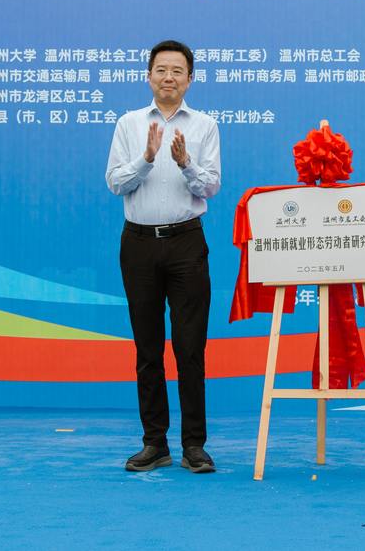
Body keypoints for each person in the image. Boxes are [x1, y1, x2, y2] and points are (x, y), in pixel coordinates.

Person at [106, 39, 221, 473]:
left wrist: (186, 162)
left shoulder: (205, 125)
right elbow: (115, 182)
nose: (168, 77)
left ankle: (194, 444)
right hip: (138, 244)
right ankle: (155, 442)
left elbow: (211, 186)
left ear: (190, 79)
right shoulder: (129, 124)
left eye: (177, 71)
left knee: (190, 348)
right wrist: (147, 159)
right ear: (148, 76)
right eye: (161, 70)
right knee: (148, 347)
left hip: (186, 242)